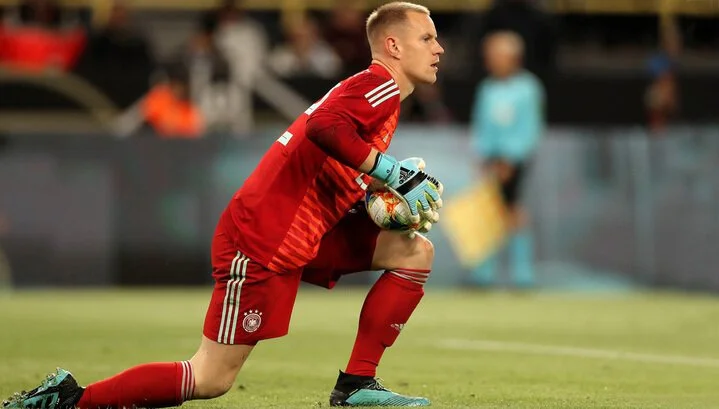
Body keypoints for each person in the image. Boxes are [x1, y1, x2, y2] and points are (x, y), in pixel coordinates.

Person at [2, 2, 445, 408]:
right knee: (210, 377)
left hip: (304, 228)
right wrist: (391, 172)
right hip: (266, 236)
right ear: (393, 46)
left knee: (412, 251)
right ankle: (69, 401)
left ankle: (357, 385)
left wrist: (376, 191)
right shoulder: (378, 85)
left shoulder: (375, 93)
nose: (438, 48)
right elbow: (324, 128)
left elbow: (325, 156)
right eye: (426, 38)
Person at [469, 31, 545, 289]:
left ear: (514, 58)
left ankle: (523, 274)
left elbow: (530, 128)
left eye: (497, 56)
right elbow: (481, 126)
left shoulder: (528, 88)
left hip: (514, 161)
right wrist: (483, 156)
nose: (491, 61)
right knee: (487, 212)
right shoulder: (487, 88)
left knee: (514, 211)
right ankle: (483, 273)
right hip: (491, 160)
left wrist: (511, 159)